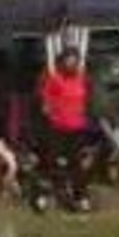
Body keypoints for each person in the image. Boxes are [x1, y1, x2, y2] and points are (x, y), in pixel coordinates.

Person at [38, 45, 93, 211]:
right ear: (63, 62)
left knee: (77, 163)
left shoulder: (82, 79)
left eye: (74, 60)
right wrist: (52, 111)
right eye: (68, 60)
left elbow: (87, 100)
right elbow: (45, 103)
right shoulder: (55, 80)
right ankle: (50, 195)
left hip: (77, 128)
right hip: (58, 128)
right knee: (54, 162)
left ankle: (81, 197)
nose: (71, 63)